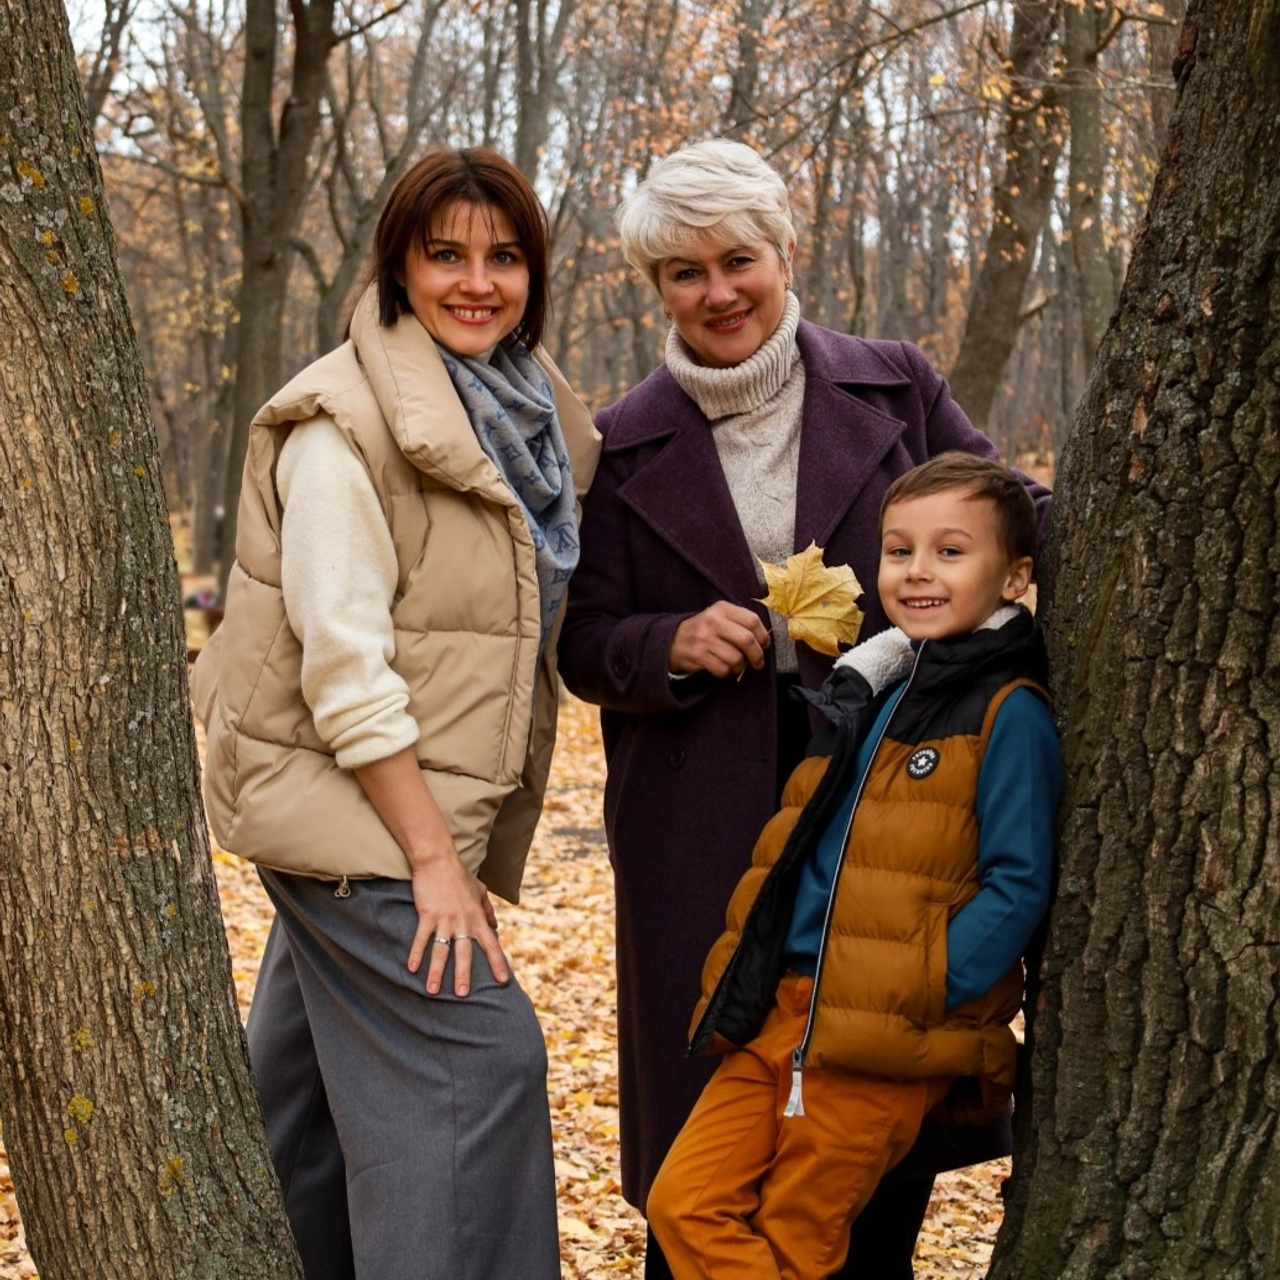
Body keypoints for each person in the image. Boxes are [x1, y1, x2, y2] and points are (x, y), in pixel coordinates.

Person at [556, 138, 1053, 1279]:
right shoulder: (619, 441)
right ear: (655, 289)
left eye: (738, 259)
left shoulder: (894, 381)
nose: (717, 291)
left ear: (784, 254)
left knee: (862, 1143)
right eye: (684, 272)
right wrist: (664, 639)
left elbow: (1005, 509)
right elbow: (581, 639)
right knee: (703, 1158)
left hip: (891, 805)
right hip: (699, 825)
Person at [191, 147, 600, 1280]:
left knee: (308, 1102)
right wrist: (430, 857)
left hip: (369, 816)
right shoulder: (344, 425)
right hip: (363, 814)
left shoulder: (524, 418)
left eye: (504, 256)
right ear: (397, 267)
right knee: (482, 1068)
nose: (478, 281)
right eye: (445, 254)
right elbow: (345, 668)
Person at [645, 453, 1062, 1280]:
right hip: (782, 1014)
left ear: (1014, 577)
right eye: (898, 551)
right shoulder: (871, 690)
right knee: (682, 1203)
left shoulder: (1009, 711)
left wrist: (922, 981)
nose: (917, 572)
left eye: (950, 551)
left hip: (881, 1032)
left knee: (803, 1237)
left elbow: (1019, 883)